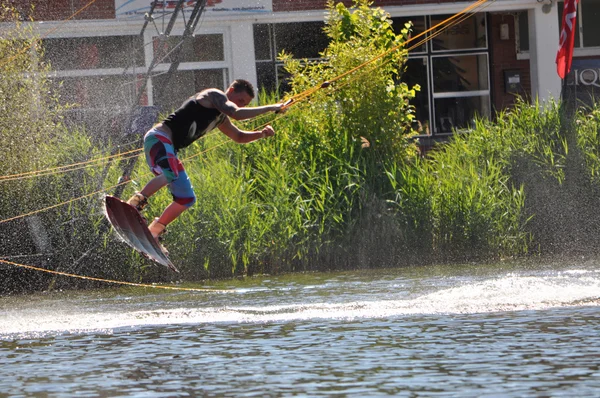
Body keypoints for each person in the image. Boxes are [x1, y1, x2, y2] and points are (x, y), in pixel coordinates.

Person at [127, 79, 287, 247]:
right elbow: (236, 113)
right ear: (231, 90)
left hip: (169, 150)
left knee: (186, 198)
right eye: (240, 100)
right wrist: (271, 107)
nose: (240, 105)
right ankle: (135, 203)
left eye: (244, 104)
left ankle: (154, 232)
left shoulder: (220, 118)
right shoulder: (213, 95)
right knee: (170, 174)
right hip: (159, 138)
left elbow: (238, 136)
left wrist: (261, 134)